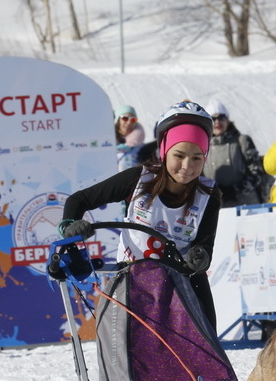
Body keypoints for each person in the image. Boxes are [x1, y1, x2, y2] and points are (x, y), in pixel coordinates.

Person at [60, 100, 221, 331]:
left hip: (183, 285)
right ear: (164, 151)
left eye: (197, 157)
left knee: (206, 352)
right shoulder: (138, 180)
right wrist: (71, 226)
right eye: (179, 155)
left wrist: (200, 256)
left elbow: (204, 247)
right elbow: (79, 200)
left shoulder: (209, 194)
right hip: (134, 282)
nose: (187, 166)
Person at [202, 99, 268, 208]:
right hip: (218, 207)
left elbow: (256, 173)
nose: (217, 122)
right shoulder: (202, 148)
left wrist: (236, 190)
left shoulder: (242, 141)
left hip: (246, 205)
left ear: (227, 120)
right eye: (213, 119)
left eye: (221, 117)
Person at [114, 105, 146, 171]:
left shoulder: (143, 149)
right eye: (125, 118)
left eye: (133, 119)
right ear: (117, 120)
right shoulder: (105, 145)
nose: (129, 122)